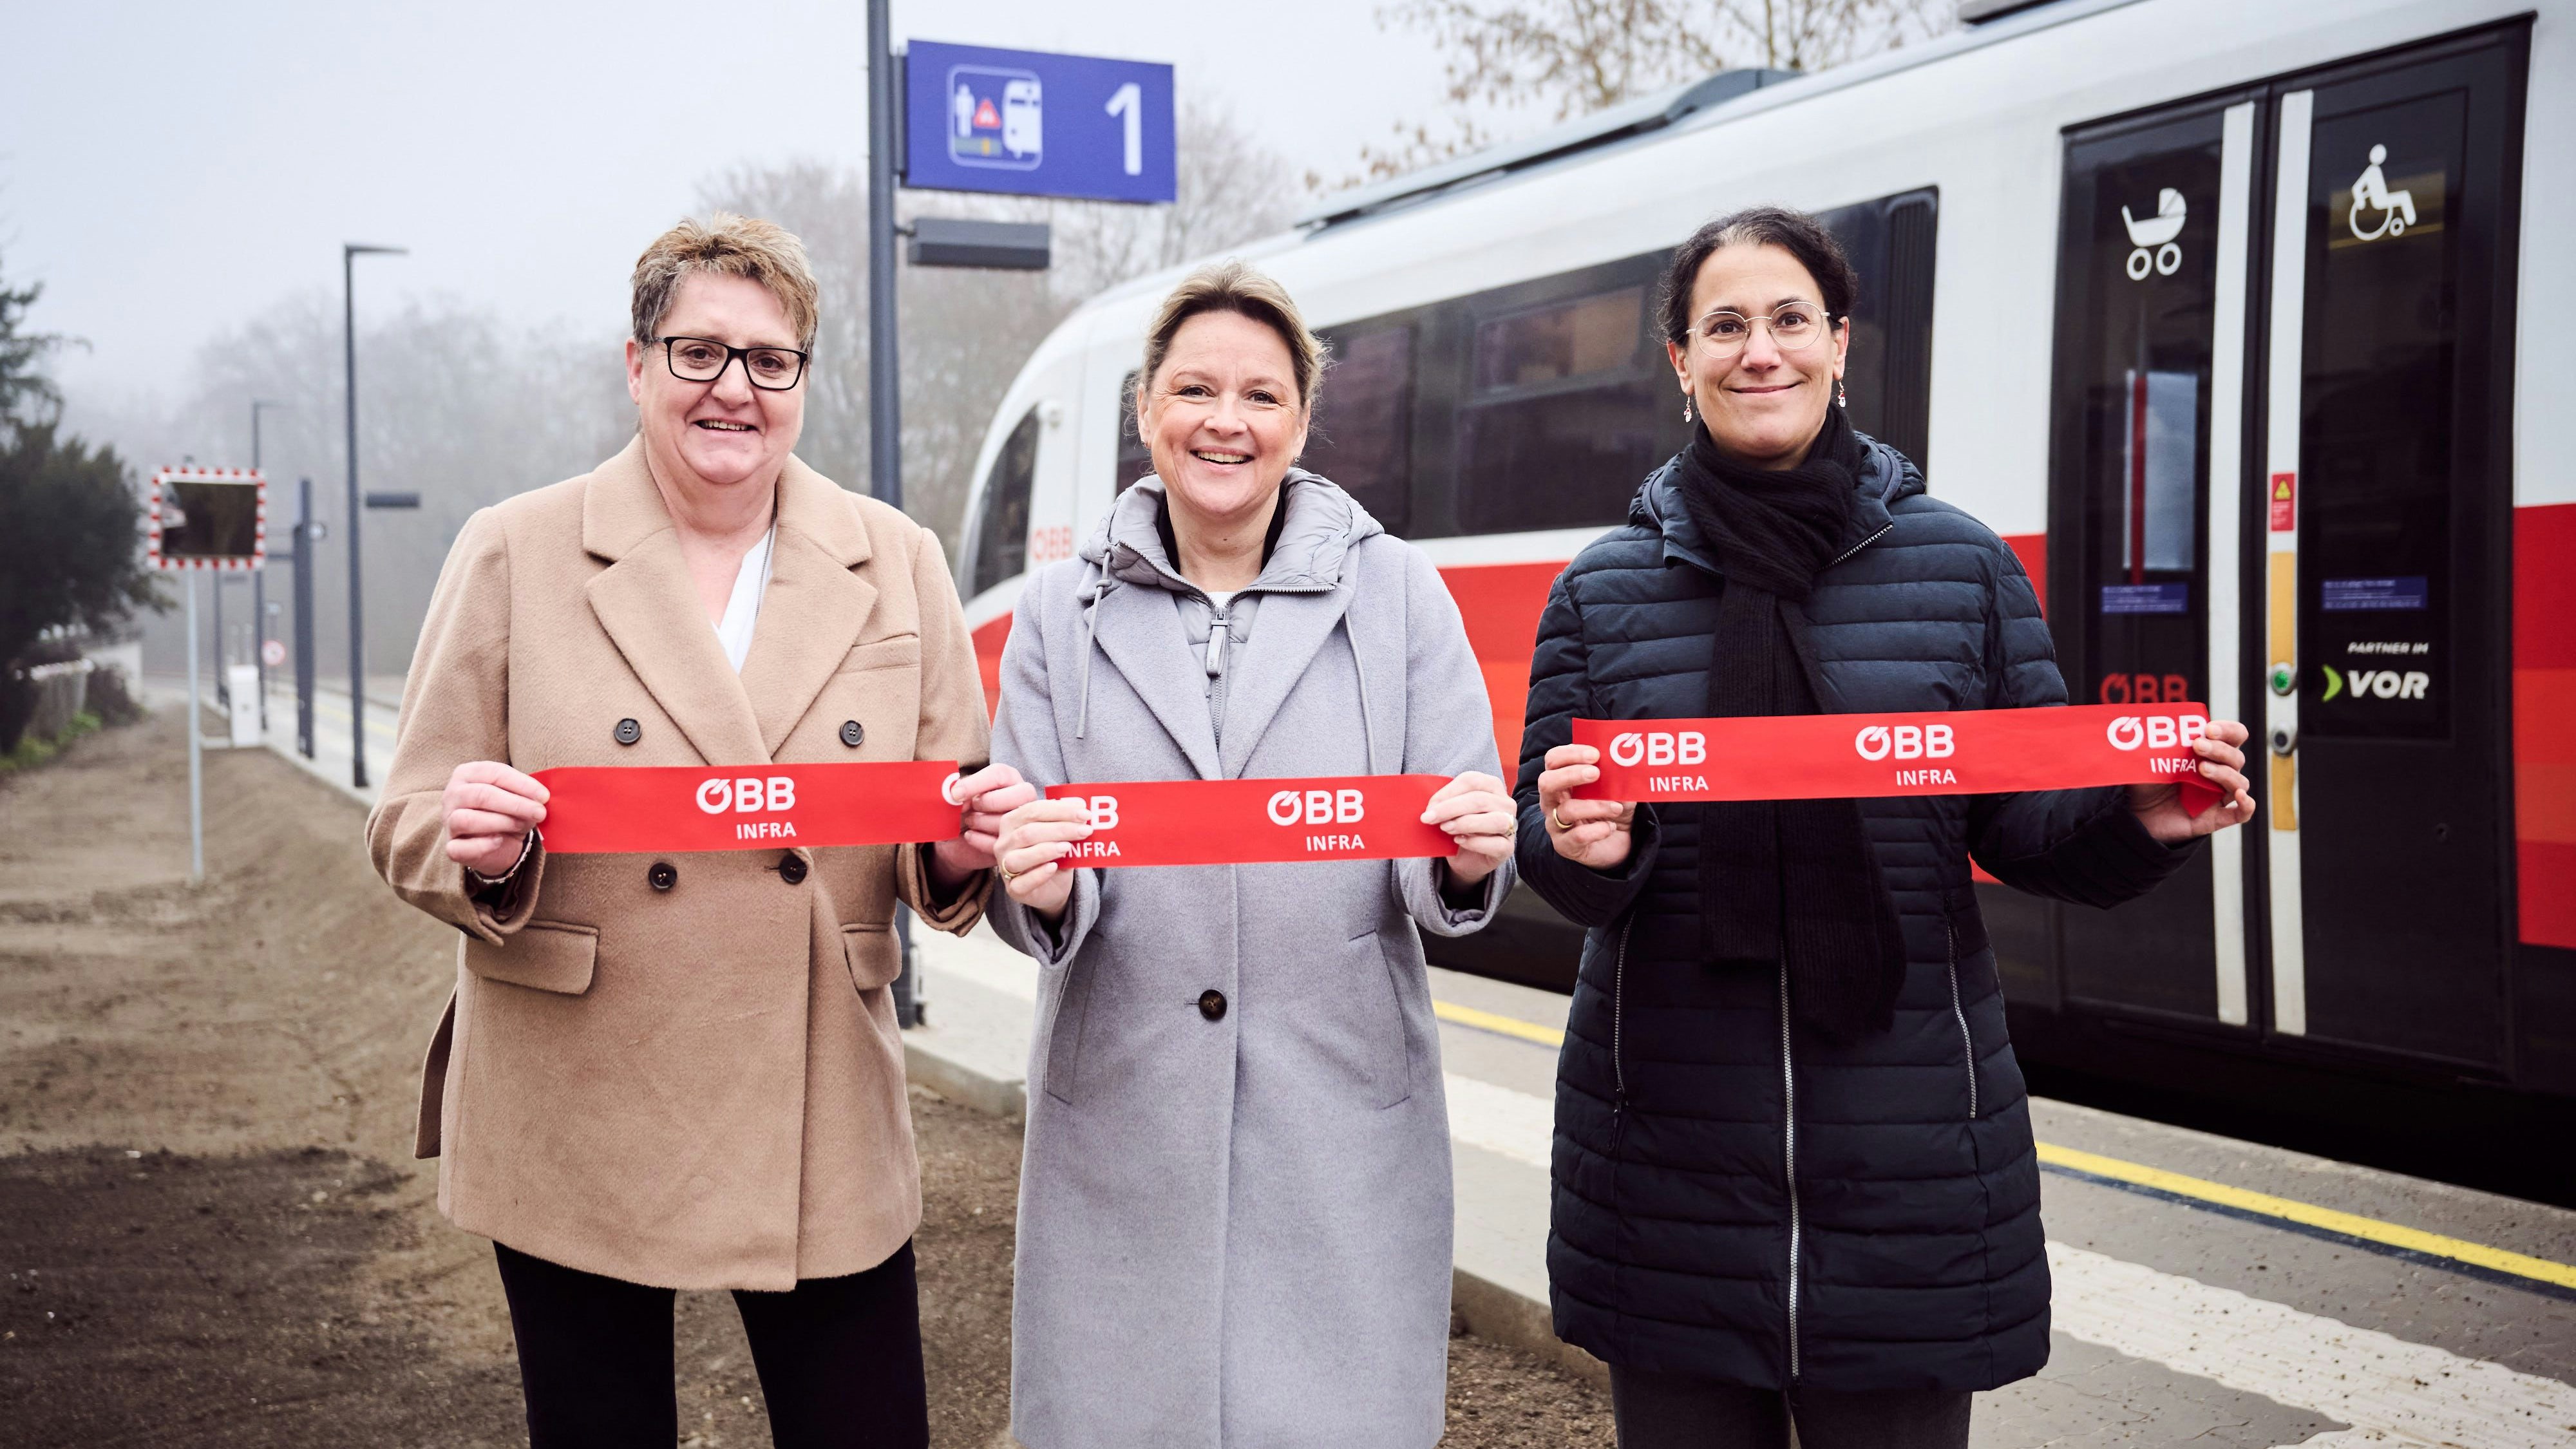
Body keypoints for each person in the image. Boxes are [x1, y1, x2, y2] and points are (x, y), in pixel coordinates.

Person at [1514, 207, 2257, 1449]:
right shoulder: (1602, 588)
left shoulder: (1960, 566)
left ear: (1842, 343)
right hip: (1672, 1169)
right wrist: (1581, 849)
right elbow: (1558, 845)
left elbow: (2026, 824)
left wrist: (2140, 821)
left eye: (1791, 319)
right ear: (1679, 360)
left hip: (1910, 1158)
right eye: (1727, 325)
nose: (1763, 351)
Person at [365, 213, 1032, 1449]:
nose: (734, 388)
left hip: (820, 1082)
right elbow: (407, 815)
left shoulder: (899, 559)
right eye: (698, 352)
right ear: (637, 366)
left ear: (802, 382)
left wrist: (955, 854)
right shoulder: (515, 550)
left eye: (769, 360)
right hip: (580, 1086)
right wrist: (483, 848)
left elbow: (937, 824)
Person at [984, 260, 1519, 1448]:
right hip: (1123, 1109)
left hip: (1338, 1115)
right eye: (1195, 389)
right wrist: (1039, 888)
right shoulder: (1053, 617)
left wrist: (1477, 856)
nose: (1227, 421)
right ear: (1146, 412)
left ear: (1302, 421)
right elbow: (1024, 885)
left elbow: (1452, 864)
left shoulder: (1400, 597)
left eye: (1262, 395)